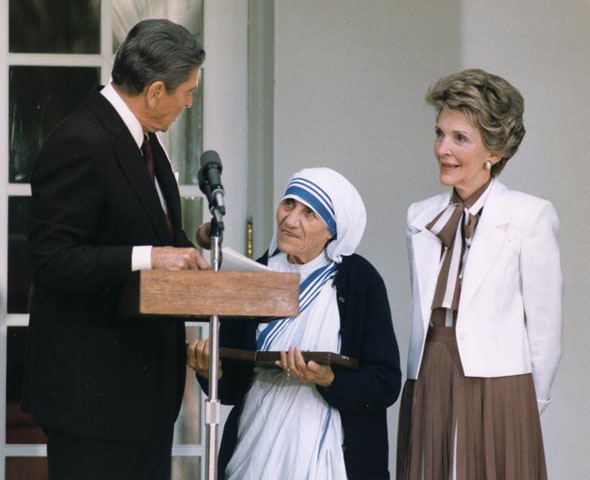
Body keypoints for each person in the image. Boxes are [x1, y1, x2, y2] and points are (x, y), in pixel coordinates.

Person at [23, 19, 209, 480]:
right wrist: (150, 256)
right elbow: (51, 259)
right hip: (93, 403)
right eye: (187, 92)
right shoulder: (80, 141)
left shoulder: (146, 140)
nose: (189, 102)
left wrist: (190, 246)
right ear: (155, 91)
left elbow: (151, 231)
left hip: (143, 397)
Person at [396, 69, 563, 480]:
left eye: (459, 138)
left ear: (495, 150)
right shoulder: (420, 217)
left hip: (502, 383)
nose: (442, 149)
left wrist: (525, 401)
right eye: (440, 133)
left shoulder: (529, 216)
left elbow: (545, 329)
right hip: (429, 372)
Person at [188, 168, 401, 480]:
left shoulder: (361, 282)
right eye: (288, 204)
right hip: (256, 446)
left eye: (309, 213)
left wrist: (329, 380)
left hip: (336, 455)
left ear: (333, 228)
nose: (289, 220)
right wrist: (211, 372)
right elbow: (232, 388)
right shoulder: (253, 275)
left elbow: (385, 382)